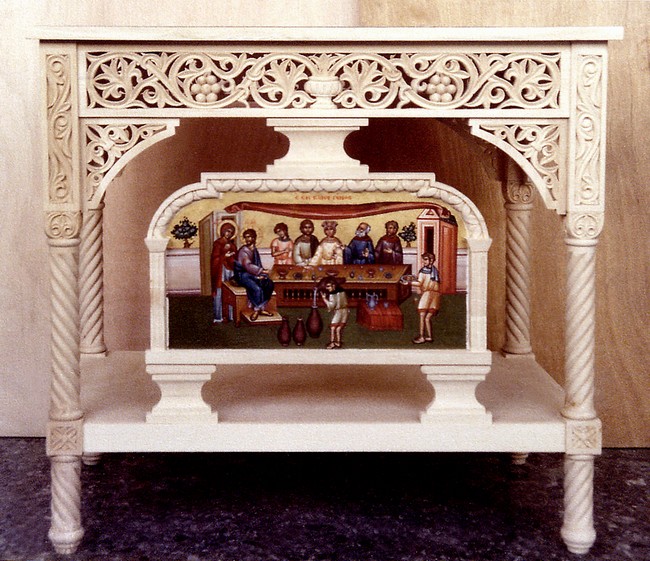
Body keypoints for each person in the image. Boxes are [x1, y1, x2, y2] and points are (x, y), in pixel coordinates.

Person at [233, 229, 275, 321]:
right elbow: (247, 265)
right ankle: (256, 310)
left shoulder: (254, 250)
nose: (247, 239)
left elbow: (258, 264)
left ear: (254, 238)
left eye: (249, 237)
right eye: (246, 237)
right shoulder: (243, 251)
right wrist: (262, 271)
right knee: (256, 288)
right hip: (242, 275)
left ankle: (261, 308)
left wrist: (261, 275)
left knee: (269, 283)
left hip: (252, 274)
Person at [210, 223, 237, 323]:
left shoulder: (232, 244)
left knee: (230, 291)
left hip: (230, 270)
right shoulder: (218, 243)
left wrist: (232, 255)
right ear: (223, 231)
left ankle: (231, 315)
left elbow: (235, 256)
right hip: (220, 271)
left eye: (231, 232)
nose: (229, 234)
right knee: (220, 291)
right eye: (227, 231)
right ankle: (219, 316)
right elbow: (215, 258)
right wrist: (224, 256)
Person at [411, 252, 440, 344]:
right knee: (427, 318)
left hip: (428, 294)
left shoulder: (423, 271)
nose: (423, 261)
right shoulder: (435, 271)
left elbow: (419, 283)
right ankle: (430, 337)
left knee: (422, 316)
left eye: (426, 259)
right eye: (423, 259)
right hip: (435, 295)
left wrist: (409, 283)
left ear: (431, 260)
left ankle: (422, 337)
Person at [318, 275, 348, 349]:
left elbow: (331, 306)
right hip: (345, 311)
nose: (327, 288)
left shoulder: (332, 295)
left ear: (333, 285)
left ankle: (332, 343)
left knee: (333, 328)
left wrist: (324, 299)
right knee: (338, 328)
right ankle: (338, 342)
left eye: (328, 286)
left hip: (338, 312)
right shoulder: (342, 292)